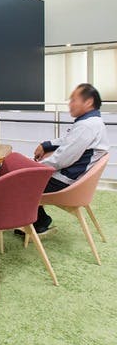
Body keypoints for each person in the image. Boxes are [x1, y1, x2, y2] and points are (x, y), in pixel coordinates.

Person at [15, 83, 109, 235]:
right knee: (20, 170)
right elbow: (68, 140)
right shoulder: (91, 122)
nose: (69, 104)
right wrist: (46, 145)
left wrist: (32, 167)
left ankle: (39, 222)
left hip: (65, 181)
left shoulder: (87, 126)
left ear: (88, 102)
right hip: (73, 179)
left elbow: (62, 159)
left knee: (17, 179)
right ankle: (36, 219)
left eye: (73, 100)